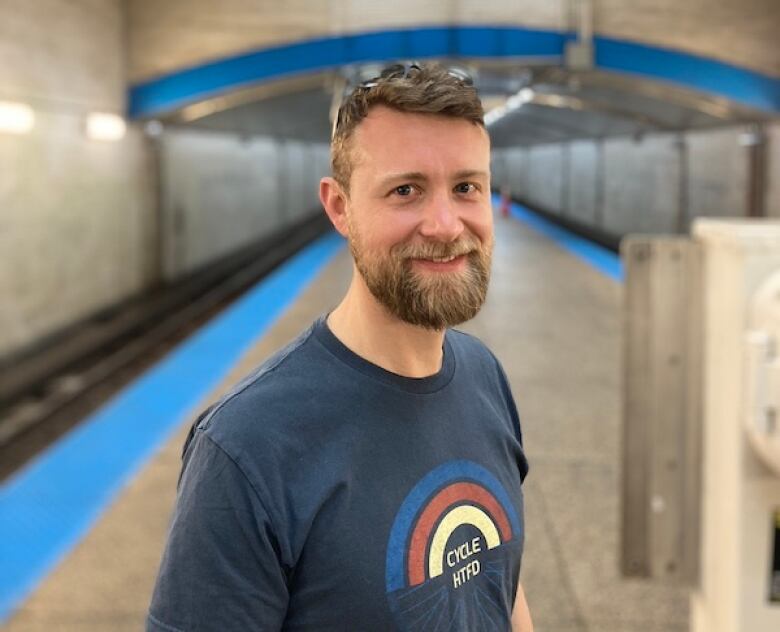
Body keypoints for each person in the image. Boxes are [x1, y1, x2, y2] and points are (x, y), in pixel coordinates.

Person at [147, 62, 532, 631]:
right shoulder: (246, 449)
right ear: (339, 208)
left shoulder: (483, 375)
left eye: (466, 187)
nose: (447, 224)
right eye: (406, 190)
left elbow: (496, 579)